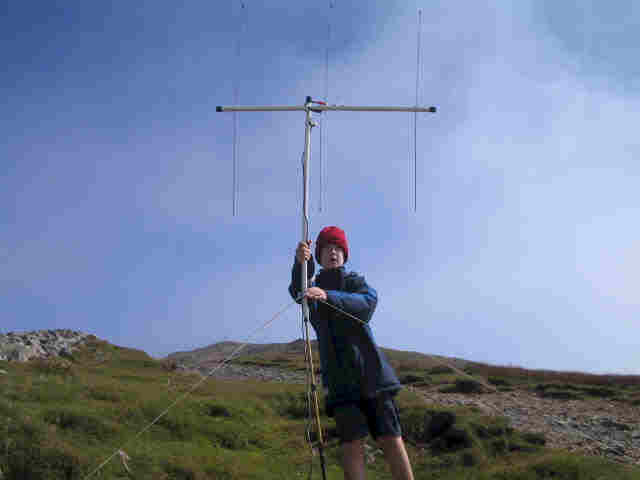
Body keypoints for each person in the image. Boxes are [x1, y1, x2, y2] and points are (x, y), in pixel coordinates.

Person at [288, 226, 414, 480]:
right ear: (319, 255)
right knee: (351, 444)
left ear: (344, 254)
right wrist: (301, 263)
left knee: (391, 437)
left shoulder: (355, 282)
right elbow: (296, 290)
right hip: (340, 383)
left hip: (374, 377)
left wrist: (329, 296)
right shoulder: (311, 289)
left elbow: (368, 303)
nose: (332, 252)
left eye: (337, 248)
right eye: (326, 249)